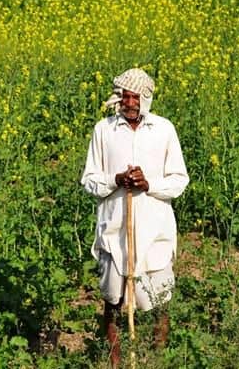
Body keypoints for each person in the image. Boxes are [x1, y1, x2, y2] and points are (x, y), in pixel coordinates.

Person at [80, 68, 189, 367]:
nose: (129, 102)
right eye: (124, 96)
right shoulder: (104, 130)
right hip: (114, 230)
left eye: (134, 97)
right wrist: (116, 179)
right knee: (112, 300)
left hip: (155, 232)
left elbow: (179, 180)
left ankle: (157, 359)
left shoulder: (165, 130)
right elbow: (89, 180)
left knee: (159, 301)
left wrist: (148, 184)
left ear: (146, 99)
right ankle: (115, 361)